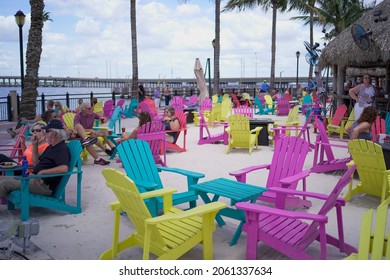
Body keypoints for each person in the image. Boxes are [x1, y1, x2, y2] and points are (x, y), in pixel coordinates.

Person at [0, 119, 70, 199]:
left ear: (53, 133)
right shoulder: (51, 147)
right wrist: (35, 144)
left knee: (5, 184)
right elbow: (35, 162)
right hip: (33, 178)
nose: (45, 133)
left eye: (46, 131)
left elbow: (64, 168)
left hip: (43, 184)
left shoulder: (61, 148)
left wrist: (43, 172)